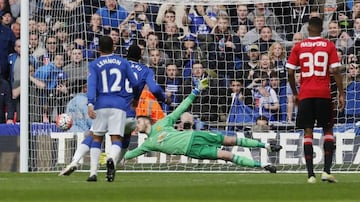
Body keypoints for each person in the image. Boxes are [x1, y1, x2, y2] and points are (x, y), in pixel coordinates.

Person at [125, 78, 282, 172]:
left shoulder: (162, 123)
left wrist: (195, 91)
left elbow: (181, 108)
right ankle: (263, 165)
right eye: (136, 123)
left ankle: (266, 146)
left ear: (146, 120)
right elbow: (127, 155)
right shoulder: (148, 144)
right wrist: (109, 157)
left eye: (138, 121)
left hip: (196, 135)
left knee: (230, 140)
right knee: (226, 156)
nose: (137, 124)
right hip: (194, 150)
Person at [59, 45, 165, 178]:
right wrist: (163, 98)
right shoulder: (145, 70)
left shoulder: (119, 65)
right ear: (141, 57)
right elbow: (154, 89)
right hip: (129, 113)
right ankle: (115, 161)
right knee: (124, 139)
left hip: (107, 107)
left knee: (93, 136)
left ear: (126, 54)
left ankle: (75, 161)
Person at [286, 17, 345, 183]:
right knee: (327, 130)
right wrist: (341, 93)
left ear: (308, 28)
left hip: (305, 94)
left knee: (308, 131)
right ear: (321, 29)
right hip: (324, 93)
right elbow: (336, 70)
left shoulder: (298, 46)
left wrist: (295, 92)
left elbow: (290, 72)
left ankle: (310, 175)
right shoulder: (329, 45)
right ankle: (326, 171)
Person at [86, 36, 139, 182]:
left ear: (98, 49)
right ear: (114, 47)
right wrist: (135, 98)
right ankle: (111, 158)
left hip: (101, 104)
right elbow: (135, 82)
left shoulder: (94, 64)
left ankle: (93, 173)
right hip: (119, 105)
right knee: (117, 138)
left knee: (97, 137)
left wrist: (90, 103)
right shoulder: (123, 62)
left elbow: (91, 85)